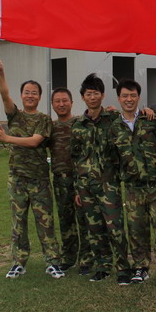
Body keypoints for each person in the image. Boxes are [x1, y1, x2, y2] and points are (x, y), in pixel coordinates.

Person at [0, 57, 64, 280]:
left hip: (39, 180)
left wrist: (7, 138)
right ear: (22, 95)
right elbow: (4, 94)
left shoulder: (44, 119)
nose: (30, 95)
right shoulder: (15, 115)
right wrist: (1, 72)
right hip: (17, 179)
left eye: (34, 93)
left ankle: (52, 262)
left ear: (39, 97)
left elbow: (34, 141)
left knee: (45, 222)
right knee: (18, 222)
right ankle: (19, 262)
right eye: (26, 92)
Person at [109, 79, 156, 285]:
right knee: (137, 229)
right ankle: (140, 267)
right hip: (132, 187)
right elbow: (114, 158)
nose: (129, 99)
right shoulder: (114, 127)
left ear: (138, 97)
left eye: (133, 95)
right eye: (125, 96)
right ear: (119, 99)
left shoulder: (151, 120)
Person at [70, 73, 132, 285]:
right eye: (88, 94)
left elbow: (130, 126)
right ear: (83, 97)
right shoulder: (77, 125)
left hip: (108, 184)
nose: (92, 97)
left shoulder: (113, 119)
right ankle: (103, 267)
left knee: (115, 227)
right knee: (94, 229)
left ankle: (123, 268)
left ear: (103, 95)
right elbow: (75, 158)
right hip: (86, 186)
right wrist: (77, 189)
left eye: (96, 93)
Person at [48, 87, 93, 274]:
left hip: (80, 178)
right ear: (52, 105)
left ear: (72, 102)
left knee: (84, 219)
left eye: (64, 100)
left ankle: (86, 259)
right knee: (65, 220)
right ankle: (68, 257)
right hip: (60, 180)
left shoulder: (81, 123)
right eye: (57, 101)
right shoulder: (50, 127)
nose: (61, 104)